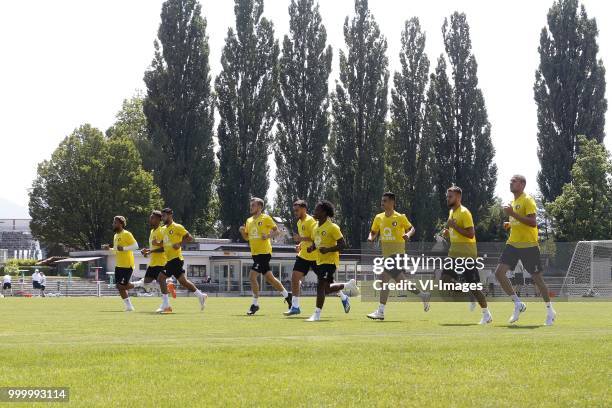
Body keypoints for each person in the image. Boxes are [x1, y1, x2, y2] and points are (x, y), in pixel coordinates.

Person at [495, 175, 556, 325]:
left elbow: (533, 222)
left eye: (514, 181)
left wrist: (512, 214)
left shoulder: (527, 200)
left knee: (537, 279)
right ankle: (517, 303)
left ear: (522, 184)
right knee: (499, 273)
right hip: (513, 244)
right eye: (510, 181)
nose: (511, 182)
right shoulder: (513, 202)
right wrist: (510, 223)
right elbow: (519, 220)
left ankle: (550, 310)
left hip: (529, 246)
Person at [366, 192, 431, 321]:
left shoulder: (400, 217)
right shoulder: (378, 217)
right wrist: (370, 238)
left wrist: (408, 235)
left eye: (385, 201)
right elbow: (373, 232)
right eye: (382, 201)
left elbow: (412, 228)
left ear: (392, 202)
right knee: (402, 283)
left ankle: (381, 311)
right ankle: (423, 295)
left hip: (398, 255)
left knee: (384, 278)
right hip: (386, 255)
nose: (382, 203)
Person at [442, 186, 492, 325]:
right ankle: (469, 295)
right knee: (445, 281)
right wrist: (448, 231)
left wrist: (455, 227)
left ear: (458, 197)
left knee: (475, 286)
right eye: (447, 196)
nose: (447, 198)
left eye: (450, 196)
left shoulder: (465, 213)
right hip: (454, 253)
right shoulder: (451, 212)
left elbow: (471, 234)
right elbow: (453, 229)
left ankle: (486, 314)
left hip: (467, 255)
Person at [305, 201, 359, 322]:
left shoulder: (333, 227)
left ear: (324, 212)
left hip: (330, 262)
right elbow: (316, 242)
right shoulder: (315, 227)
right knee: (327, 289)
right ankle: (348, 285)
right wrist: (312, 248)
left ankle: (316, 314)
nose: (315, 212)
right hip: (319, 261)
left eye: (317, 210)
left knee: (320, 286)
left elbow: (343, 244)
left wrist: (329, 249)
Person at [239, 197, 292, 315]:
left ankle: (255, 304)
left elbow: (277, 231)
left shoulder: (266, 218)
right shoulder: (248, 220)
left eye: (253, 205)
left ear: (259, 207)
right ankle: (288, 296)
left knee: (252, 276)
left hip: (264, 252)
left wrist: (267, 236)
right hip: (255, 253)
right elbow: (247, 237)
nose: (251, 207)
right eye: (251, 205)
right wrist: (242, 232)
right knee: (270, 278)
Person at [158, 208, 207, 312]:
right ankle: (200, 295)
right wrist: (150, 251)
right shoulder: (163, 229)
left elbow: (190, 238)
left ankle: (166, 305)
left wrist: (179, 244)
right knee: (183, 282)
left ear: (170, 215)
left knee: (161, 278)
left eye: (164, 216)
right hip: (171, 259)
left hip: (175, 259)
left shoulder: (177, 227)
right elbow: (164, 246)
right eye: (162, 216)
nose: (162, 218)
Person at [284, 199, 318, 316]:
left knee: (327, 282)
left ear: (304, 209)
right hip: (303, 255)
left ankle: (343, 296)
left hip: (315, 256)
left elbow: (315, 238)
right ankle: (295, 307)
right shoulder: (299, 223)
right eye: (294, 211)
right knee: (294, 278)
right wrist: (299, 245)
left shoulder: (311, 221)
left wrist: (300, 239)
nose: (295, 212)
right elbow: (304, 238)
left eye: (297, 210)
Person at [136, 210, 171, 313]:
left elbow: (165, 248)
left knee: (160, 281)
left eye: (153, 218)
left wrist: (150, 251)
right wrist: (147, 251)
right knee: (146, 282)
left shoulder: (161, 231)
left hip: (161, 262)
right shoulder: (152, 232)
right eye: (150, 217)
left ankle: (166, 305)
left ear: (159, 220)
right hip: (153, 262)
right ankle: (168, 284)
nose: (150, 219)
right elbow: (153, 247)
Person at [102, 216, 139, 311]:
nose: (113, 224)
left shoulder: (127, 234)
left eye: (115, 222)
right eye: (113, 222)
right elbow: (116, 251)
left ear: (121, 224)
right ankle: (129, 307)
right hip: (119, 265)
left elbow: (136, 246)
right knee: (119, 286)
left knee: (121, 286)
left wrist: (124, 248)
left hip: (127, 265)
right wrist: (109, 249)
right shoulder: (115, 236)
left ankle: (140, 283)